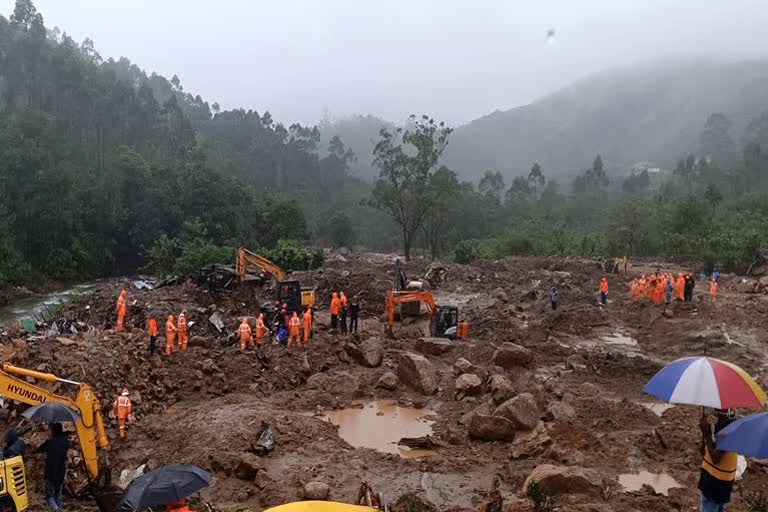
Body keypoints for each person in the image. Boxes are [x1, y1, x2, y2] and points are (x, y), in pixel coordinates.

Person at [699, 409, 737, 511]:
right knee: (718, 506)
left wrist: (706, 434)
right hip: (721, 479)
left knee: (710, 505)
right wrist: (706, 446)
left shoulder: (727, 429)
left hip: (715, 481)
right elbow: (715, 447)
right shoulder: (728, 423)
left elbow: (716, 458)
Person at [38, 423, 68, 512]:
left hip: (50, 473)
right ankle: (58, 508)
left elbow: (40, 449)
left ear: (53, 431)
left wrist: (49, 439)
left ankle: (56, 509)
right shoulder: (65, 442)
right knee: (58, 496)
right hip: (61, 473)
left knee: (48, 496)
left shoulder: (50, 442)